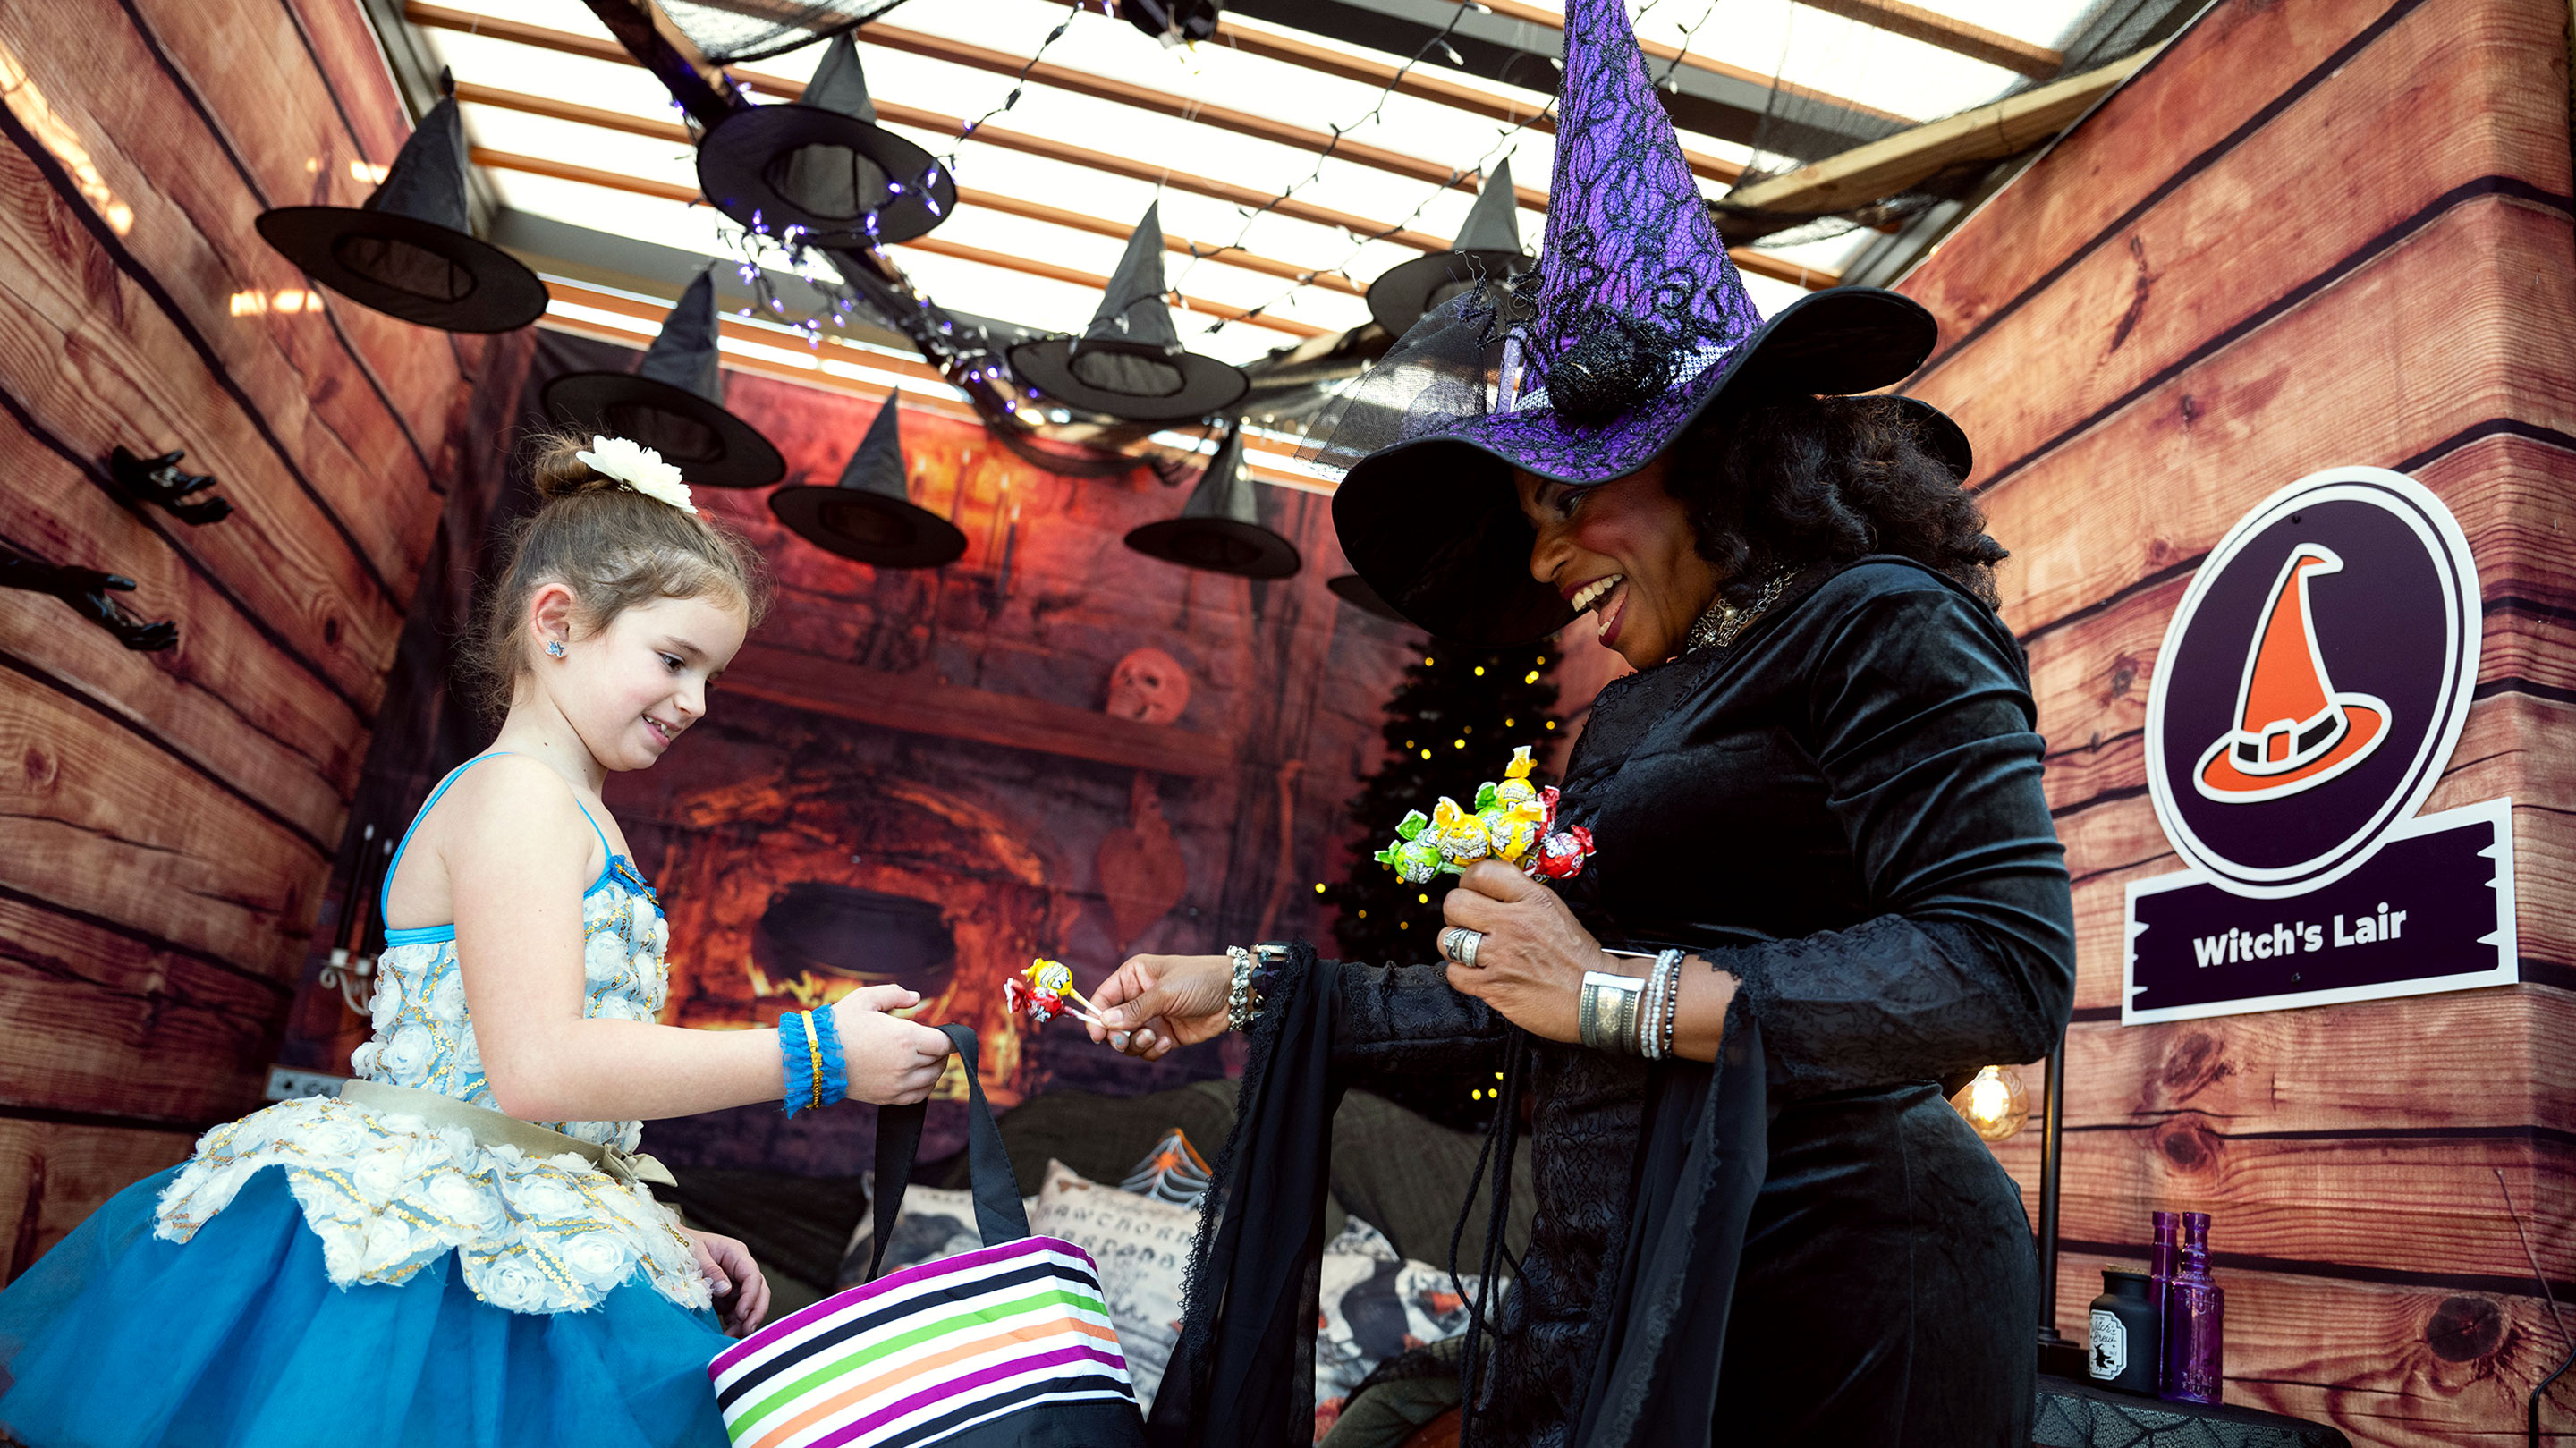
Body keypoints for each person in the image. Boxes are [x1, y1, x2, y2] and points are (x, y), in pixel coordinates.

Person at [1082, 3, 2074, 1445]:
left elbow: (1998, 963)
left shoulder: (1883, 616)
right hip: (1628, 1259)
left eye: (1563, 501)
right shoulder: (1631, 709)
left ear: (1709, 455)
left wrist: (1616, 987)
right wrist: (1236, 985)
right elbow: (1531, 988)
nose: (1546, 563)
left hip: (1841, 1284)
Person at [0, 435, 956, 1448]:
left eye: (711, 674)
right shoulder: (517, 798)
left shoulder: (576, 813)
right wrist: (818, 1051)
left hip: (509, 1209)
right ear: (558, 621)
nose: (695, 701)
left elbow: (537, 1115)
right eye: (674, 660)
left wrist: (648, 1229)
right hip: (417, 1255)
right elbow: (540, 1066)